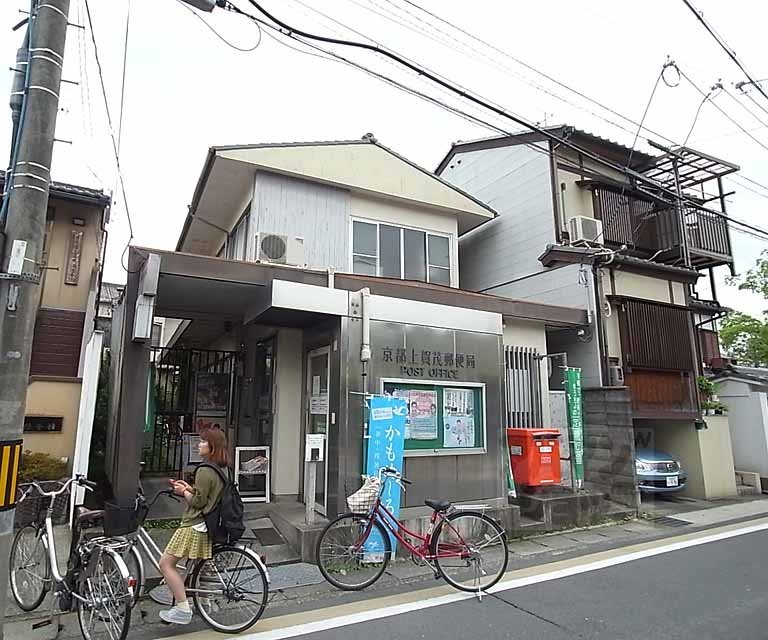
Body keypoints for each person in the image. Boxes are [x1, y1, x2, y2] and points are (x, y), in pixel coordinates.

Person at [158, 428, 228, 625]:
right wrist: (188, 488)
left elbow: (197, 502)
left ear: (211, 446)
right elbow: (206, 496)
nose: (198, 444)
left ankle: (182, 609)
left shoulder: (205, 470)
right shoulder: (221, 468)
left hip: (195, 524)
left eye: (203, 442)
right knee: (198, 568)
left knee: (166, 564)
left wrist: (183, 493)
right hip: (207, 526)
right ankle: (203, 604)